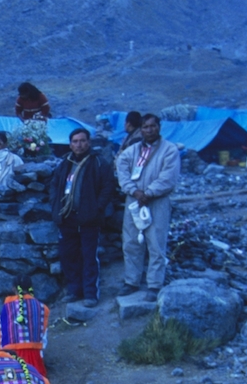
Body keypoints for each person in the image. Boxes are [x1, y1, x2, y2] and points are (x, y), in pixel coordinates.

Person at [116, 113, 181, 296]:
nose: (149, 130)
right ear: (141, 129)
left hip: (157, 201)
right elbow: (122, 172)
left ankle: (154, 284)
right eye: (145, 127)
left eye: (153, 126)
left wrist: (149, 192)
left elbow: (168, 177)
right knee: (130, 241)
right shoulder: (131, 152)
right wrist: (134, 191)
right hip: (134, 201)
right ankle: (131, 281)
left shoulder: (169, 150)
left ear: (159, 127)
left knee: (156, 242)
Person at [48, 127, 114, 306]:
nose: (79, 144)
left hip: (88, 219)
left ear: (89, 142)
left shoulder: (99, 163)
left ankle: (91, 293)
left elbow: (108, 186)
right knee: (68, 255)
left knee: (89, 256)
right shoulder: (65, 164)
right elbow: (54, 185)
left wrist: (97, 208)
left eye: (82, 140)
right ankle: (73, 290)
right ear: (70, 144)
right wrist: (56, 206)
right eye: (75, 141)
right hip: (67, 218)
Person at [0, 283, 51, 380]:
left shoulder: (7, 307)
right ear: (31, 287)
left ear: (14, 288)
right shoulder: (43, 308)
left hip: (9, 358)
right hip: (34, 361)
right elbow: (43, 337)